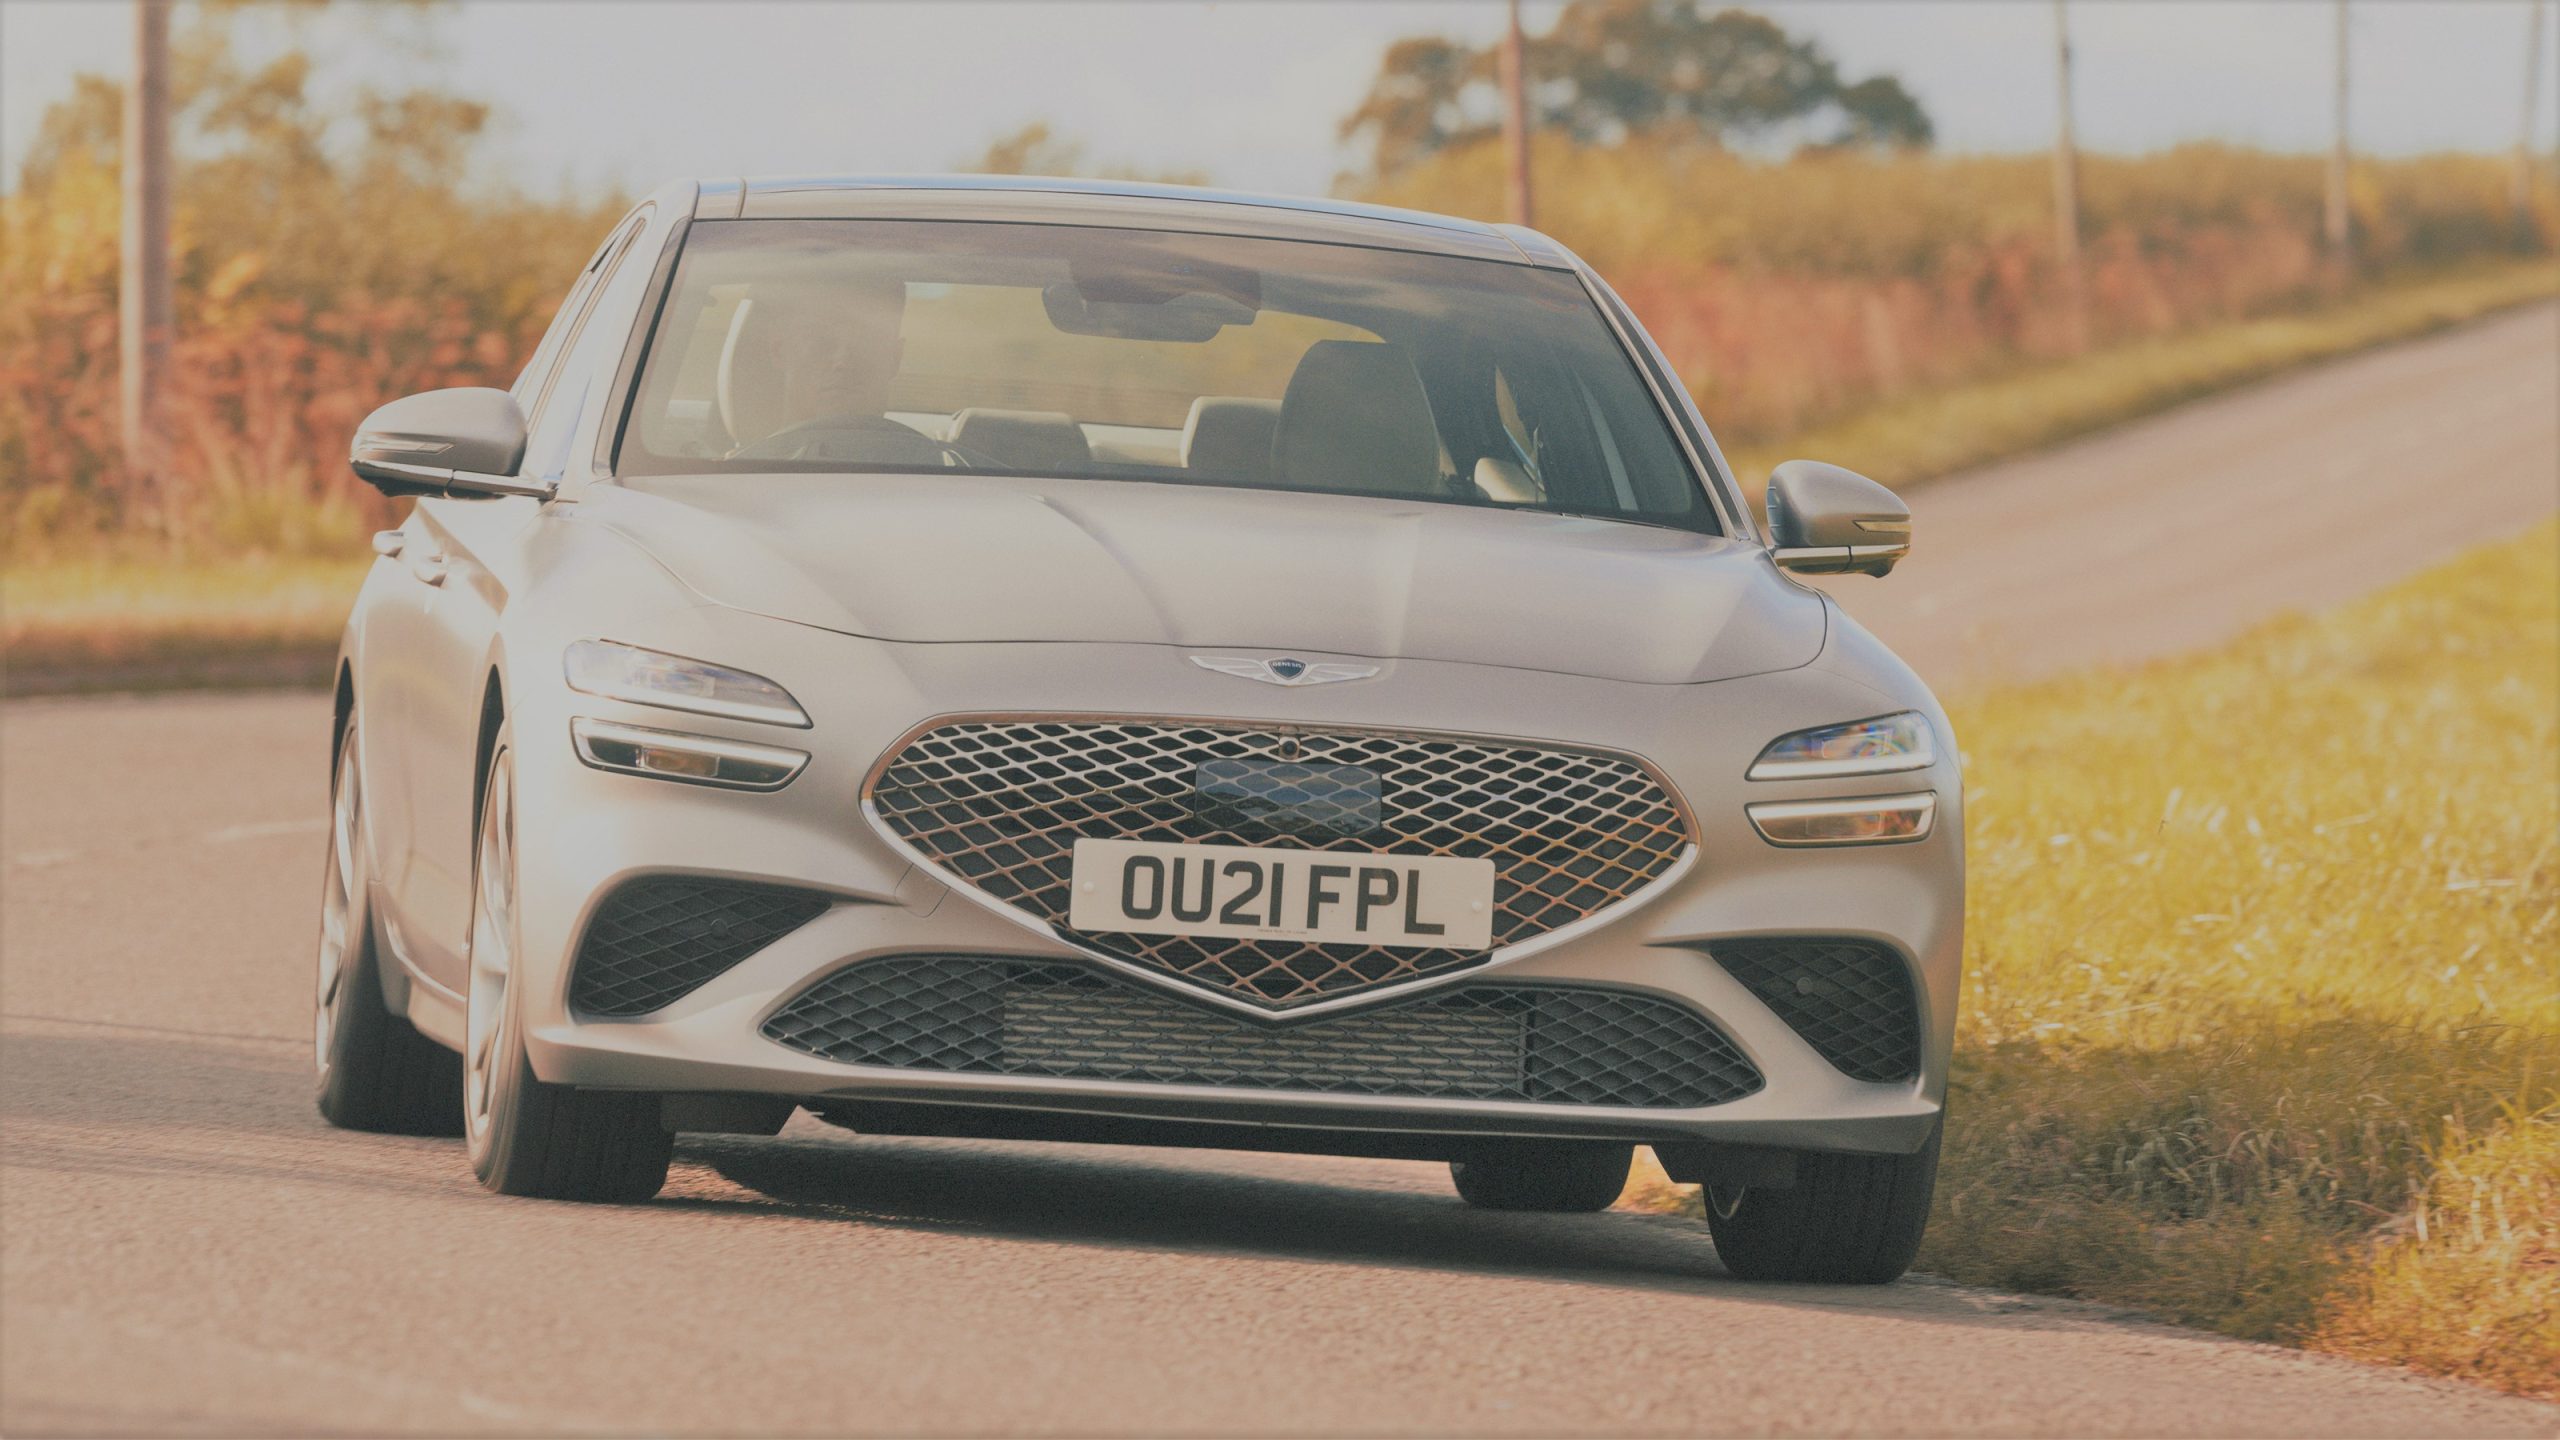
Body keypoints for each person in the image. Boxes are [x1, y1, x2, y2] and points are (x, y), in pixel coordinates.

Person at [723, 280, 948, 464]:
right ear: (779, 350)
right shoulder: (722, 485)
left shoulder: (951, 485)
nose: (842, 360)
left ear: (895, 358)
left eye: (866, 341)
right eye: (820, 340)